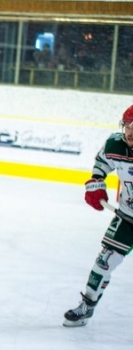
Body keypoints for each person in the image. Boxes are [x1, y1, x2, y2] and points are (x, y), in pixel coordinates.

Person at [64, 105, 133, 327]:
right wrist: (96, 183)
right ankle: (87, 306)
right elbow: (102, 163)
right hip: (127, 218)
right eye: (127, 126)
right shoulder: (116, 144)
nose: (129, 132)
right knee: (104, 261)